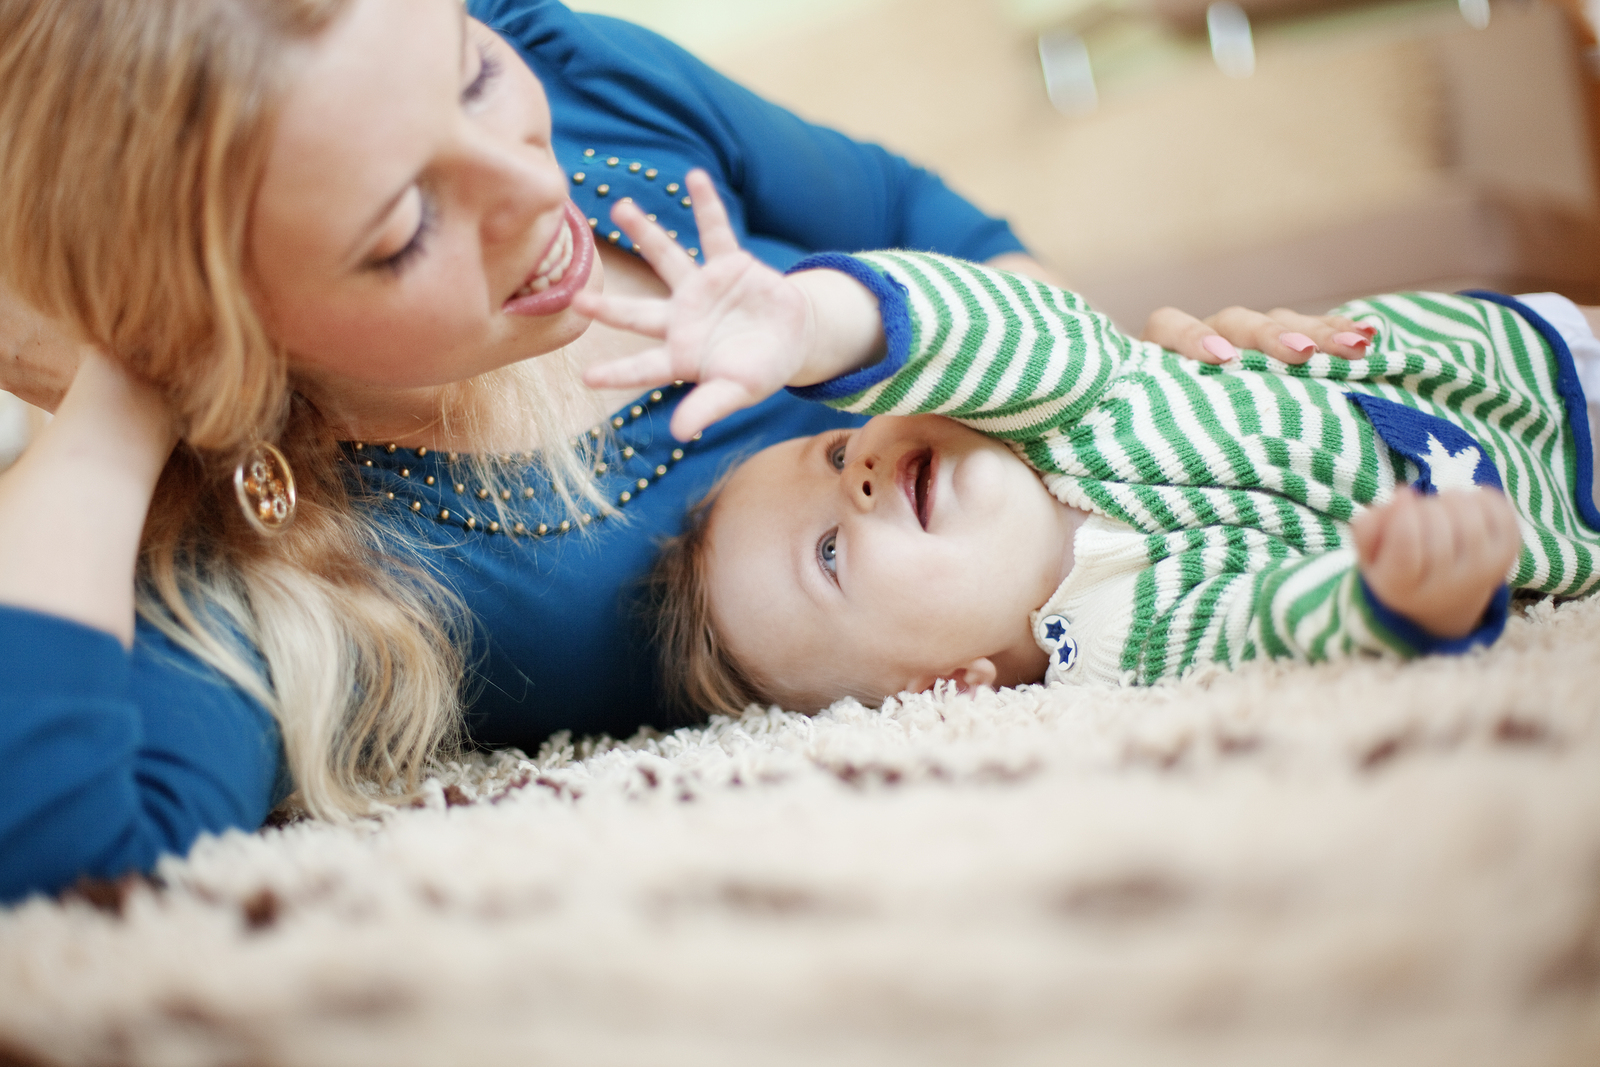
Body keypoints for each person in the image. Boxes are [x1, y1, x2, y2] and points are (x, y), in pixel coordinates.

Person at [0, 0, 1365, 903]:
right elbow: (71, 877)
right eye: (406, 221)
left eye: (472, 76)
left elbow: (917, 217)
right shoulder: (289, 565)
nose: (538, 192)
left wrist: (1137, 389)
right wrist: (126, 387)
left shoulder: (586, 88)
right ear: (225, 327)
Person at [576, 175, 1600, 716]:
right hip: (1553, 508)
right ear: (947, 689)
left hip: (1511, 359)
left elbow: (985, 321)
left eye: (838, 452)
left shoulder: (1062, 399)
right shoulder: (1119, 641)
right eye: (830, 554)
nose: (866, 474)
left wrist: (814, 327)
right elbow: (1271, 622)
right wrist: (1396, 594)